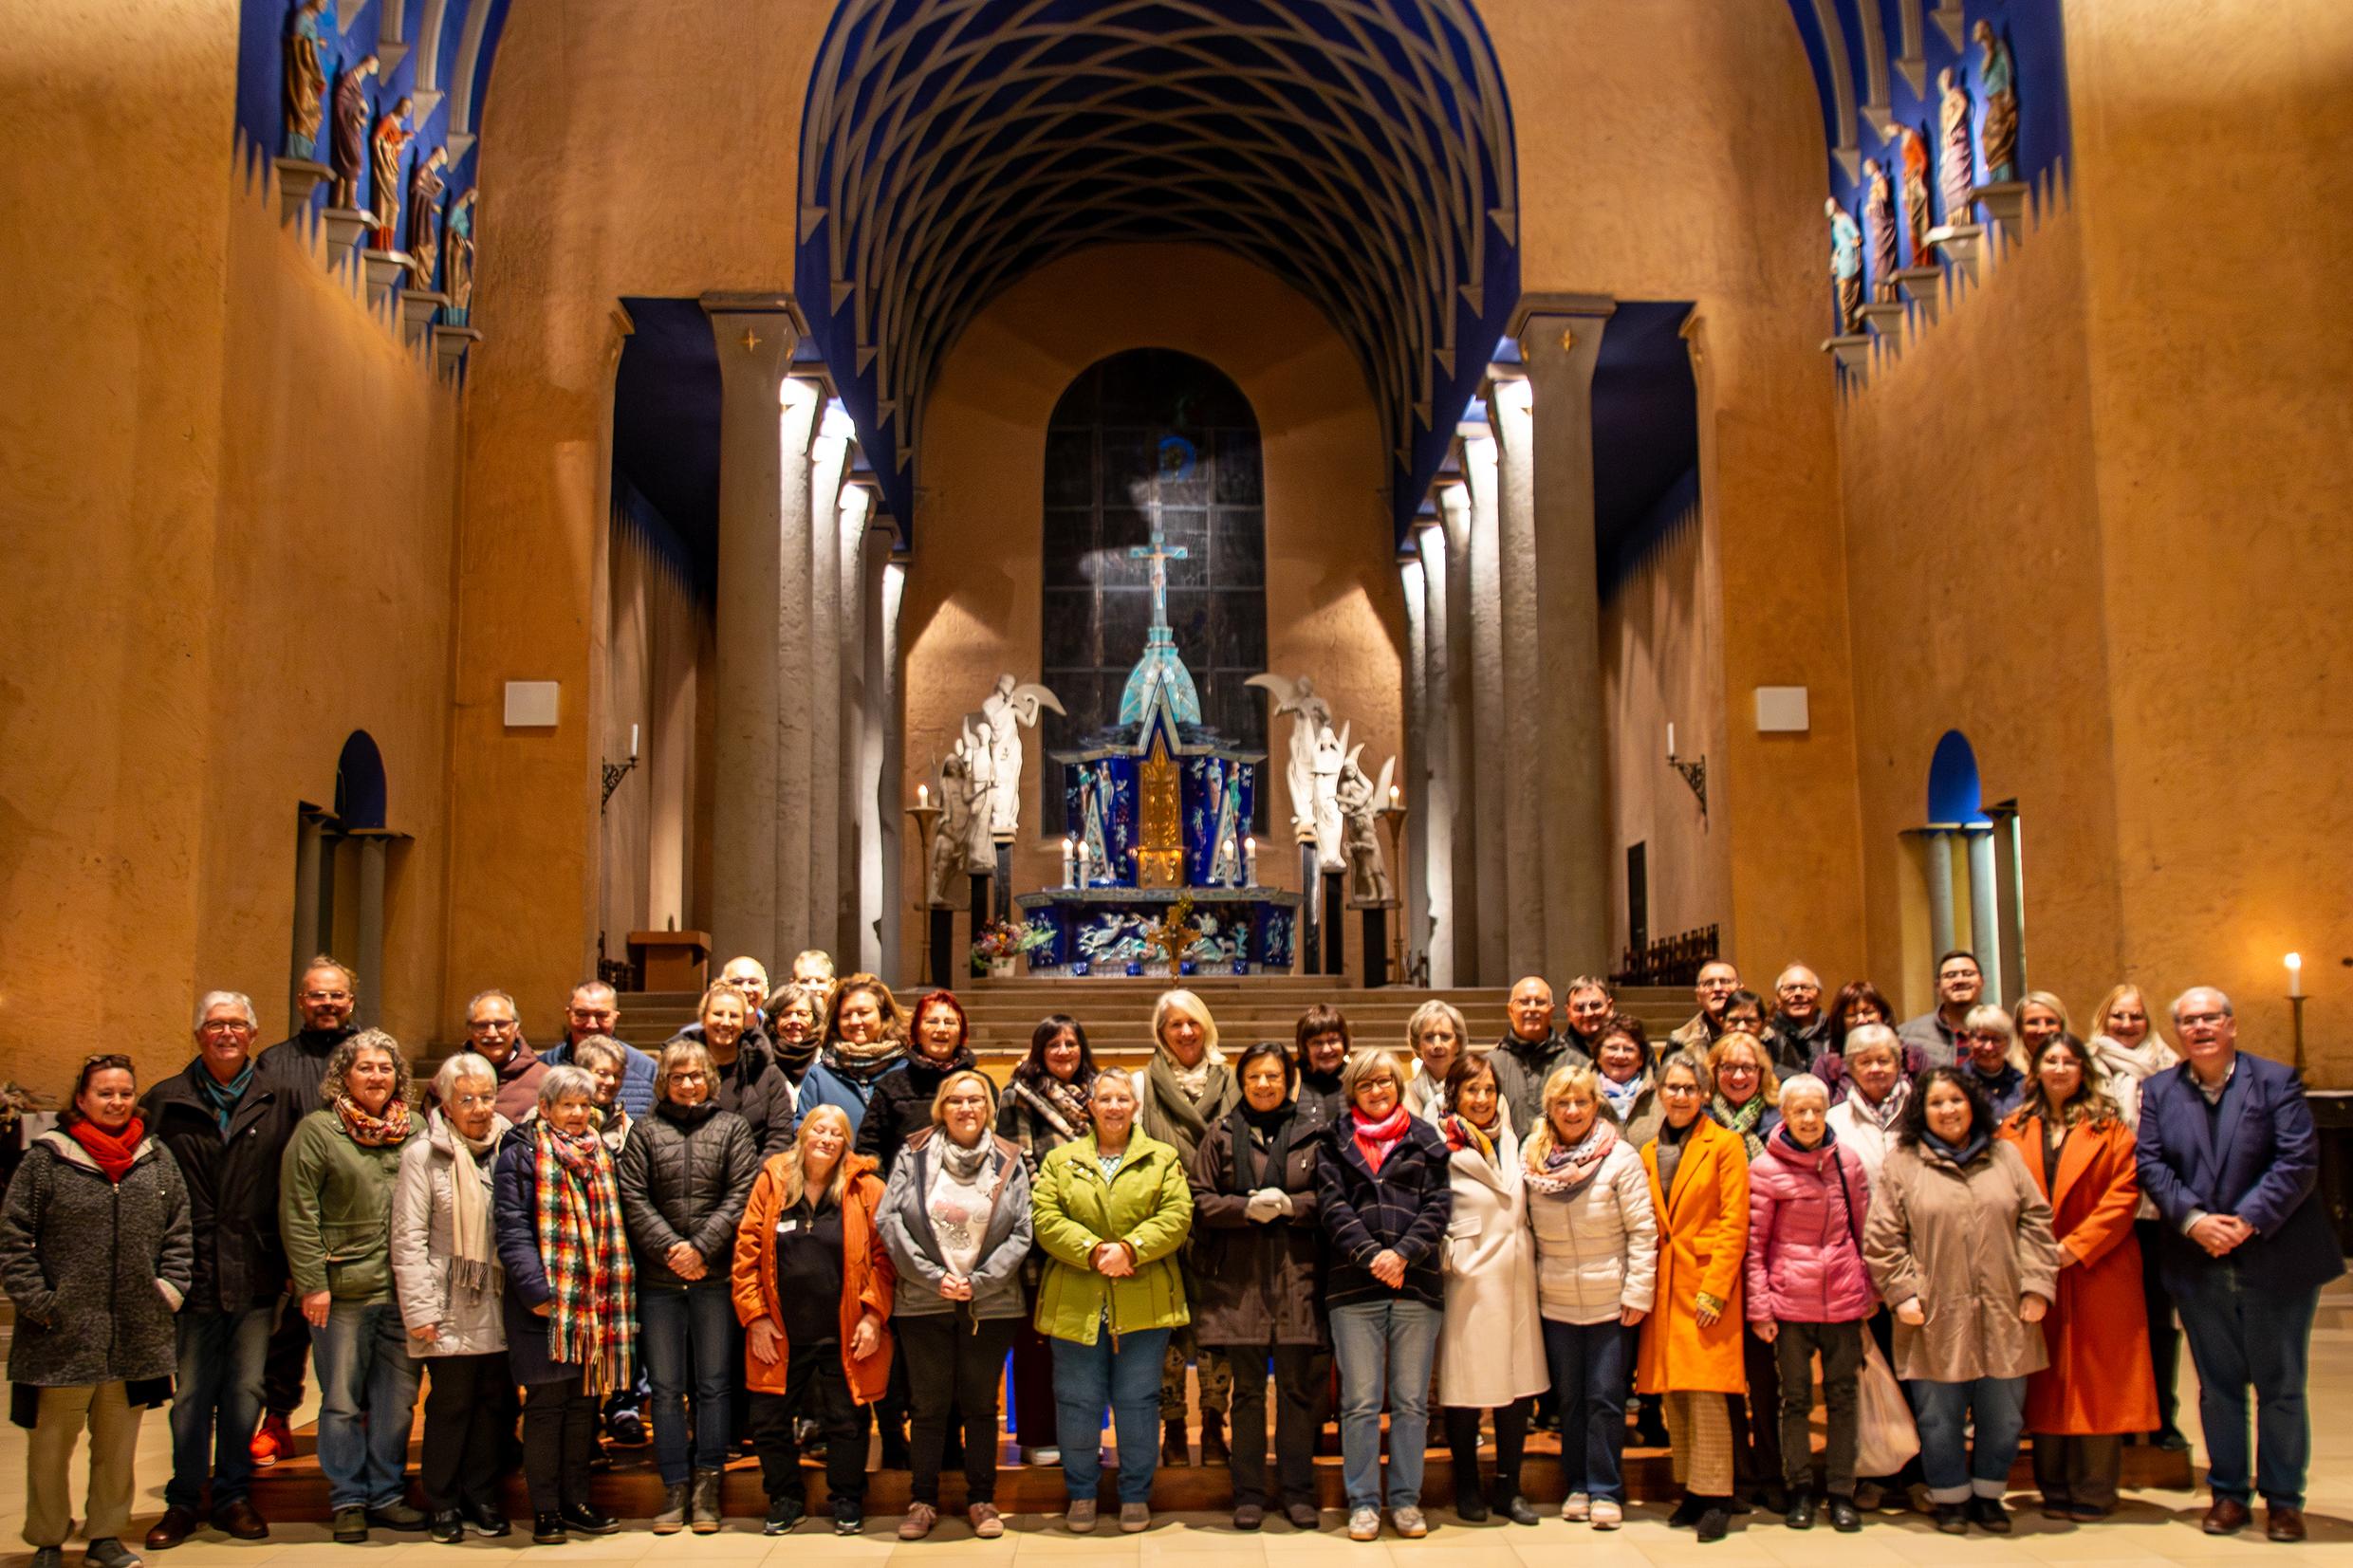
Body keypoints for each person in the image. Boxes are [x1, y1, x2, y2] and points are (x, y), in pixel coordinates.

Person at [2136, 987, 2343, 1544]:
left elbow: (2297, 1160)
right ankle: (2228, 1494)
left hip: (2276, 1256)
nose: (2201, 1027)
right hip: (2197, 1257)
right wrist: (2196, 1221)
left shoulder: (2274, 1081)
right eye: (2189, 1020)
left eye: (2211, 1018)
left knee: (2280, 1385)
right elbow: (2151, 1165)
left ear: (2231, 1025)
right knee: (2218, 1385)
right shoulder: (2159, 1090)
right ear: (2178, 1032)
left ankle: (2283, 1500)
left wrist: (2246, 1221)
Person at [3, 1053, 193, 1568]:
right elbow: (14, 1237)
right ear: (82, 1100)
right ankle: (46, 1539)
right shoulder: (46, 1159)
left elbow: (179, 1231)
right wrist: (41, 1301)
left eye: (125, 1093)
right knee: (49, 1451)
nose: (116, 1102)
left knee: (116, 1450)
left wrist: (169, 1289)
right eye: (105, 1093)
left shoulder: (155, 1159)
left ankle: (106, 1536)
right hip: (59, 1336)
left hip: (133, 1333)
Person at [1863, 1066, 2059, 1536]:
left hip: (2006, 1307)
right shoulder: (1903, 1163)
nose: (1948, 1110)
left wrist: (2036, 1286)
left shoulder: (2006, 1157)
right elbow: (1882, 1238)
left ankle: (1990, 1494)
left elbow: (2035, 1222)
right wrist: (1903, 1293)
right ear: (1921, 1112)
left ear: (1972, 1104)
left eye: (1956, 1100)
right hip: (1935, 1309)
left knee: (2004, 1413)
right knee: (1938, 1415)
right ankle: (1949, 1495)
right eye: (1936, 1103)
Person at [140, 994, 284, 1548]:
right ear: (198, 1033)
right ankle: (183, 1500)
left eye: (236, 1025)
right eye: (215, 1024)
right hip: (190, 1268)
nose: (226, 1033)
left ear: (253, 1033)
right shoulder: (164, 1100)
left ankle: (233, 1495)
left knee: (246, 1387)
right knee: (192, 1393)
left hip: (255, 1264)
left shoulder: (280, 1098)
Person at [1995, 1033, 2154, 1522]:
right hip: (2034, 1269)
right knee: (2045, 1378)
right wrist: (2037, 1253)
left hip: (2097, 1268)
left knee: (2096, 1379)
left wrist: (2073, 1248)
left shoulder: (2111, 1129)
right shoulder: (2014, 1127)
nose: (2060, 1068)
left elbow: (2123, 1197)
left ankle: (2095, 1488)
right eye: (2051, 1060)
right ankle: (2054, 1486)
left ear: (2084, 1069)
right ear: (2036, 1069)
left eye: (2069, 1060)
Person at [279, 1030, 426, 1542]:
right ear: (343, 1075)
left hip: (403, 1290)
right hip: (342, 1290)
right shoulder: (318, 1132)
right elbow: (299, 1212)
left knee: (398, 1399)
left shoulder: (417, 1128)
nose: (376, 1076)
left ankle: (386, 1492)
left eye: (385, 1068)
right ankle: (348, 1498)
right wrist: (312, 1282)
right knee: (341, 1398)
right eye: (365, 1067)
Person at [1031, 1072, 1195, 1535]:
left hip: (1143, 1299)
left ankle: (1135, 1495)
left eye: (1124, 1098)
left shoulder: (1162, 1158)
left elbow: (1178, 1215)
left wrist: (1131, 1248)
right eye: (1106, 1098)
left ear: (1135, 1106)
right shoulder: (1061, 1160)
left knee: (1138, 1402)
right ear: (1092, 1106)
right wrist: (1092, 1250)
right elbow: (1044, 1217)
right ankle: (1081, 1492)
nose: (1115, 1106)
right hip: (1076, 1301)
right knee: (1077, 1402)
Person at [876, 1069, 1033, 1540]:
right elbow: (889, 1219)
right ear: (941, 1107)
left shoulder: (1009, 1157)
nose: (967, 1109)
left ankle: (982, 1500)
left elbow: (1024, 1228)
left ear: (989, 1109)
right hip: (924, 1299)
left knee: (981, 1406)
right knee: (928, 1406)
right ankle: (922, 1500)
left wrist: (979, 1281)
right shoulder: (914, 1151)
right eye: (956, 1101)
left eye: (976, 1101)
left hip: (992, 1302)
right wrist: (934, 1277)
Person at [617, 1042, 759, 1534]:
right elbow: (631, 1196)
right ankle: (674, 1485)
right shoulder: (646, 1132)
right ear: (664, 1082)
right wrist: (672, 1251)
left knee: (715, 1386)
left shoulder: (732, 1128)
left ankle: (708, 1485)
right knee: (667, 1388)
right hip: (659, 1283)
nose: (688, 1084)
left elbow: (742, 1192)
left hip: (715, 1279)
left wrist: (699, 1248)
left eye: (697, 1075)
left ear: (710, 1080)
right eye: (678, 1077)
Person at [1187, 1042, 1329, 1531]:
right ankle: (1247, 1492)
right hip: (1239, 1281)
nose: (1263, 1085)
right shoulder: (1221, 1134)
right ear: (1241, 1083)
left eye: (1272, 1076)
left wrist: (1293, 1206)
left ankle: (1297, 1492)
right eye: (1254, 1078)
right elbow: (1199, 1201)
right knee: (1246, 1393)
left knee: (1294, 1391)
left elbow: (1332, 1199)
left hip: (1296, 1278)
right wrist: (1241, 1209)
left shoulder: (1314, 1133)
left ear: (1288, 1080)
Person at [733, 1105, 895, 1537]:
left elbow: (884, 1260)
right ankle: (784, 1498)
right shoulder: (771, 1183)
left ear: (846, 1144)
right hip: (780, 1331)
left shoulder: (867, 1189)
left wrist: (873, 1316)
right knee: (768, 1420)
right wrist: (756, 1318)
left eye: (836, 1133)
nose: (826, 1138)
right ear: (802, 1135)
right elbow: (746, 1254)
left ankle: (847, 1498)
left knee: (847, 1420)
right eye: (818, 1130)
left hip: (845, 1329)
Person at [492, 1067, 632, 1545]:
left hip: (592, 1303)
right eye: (566, 1105)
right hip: (545, 1307)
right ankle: (546, 1509)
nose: (576, 1113)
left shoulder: (601, 1154)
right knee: (548, 1408)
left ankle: (577, 1502)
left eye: (583, 1104)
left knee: (582, 1407)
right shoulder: (521, 1153)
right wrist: (539, 1294)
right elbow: (511, 1229)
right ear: (545, 1108)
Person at [1318, 1049, 1453, 1541]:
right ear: (1353, 1090)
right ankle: (1363, 1503)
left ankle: (1405, 1500)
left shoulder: (1425, 1137)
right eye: (1368, 1084)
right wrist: (1373, 1255)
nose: (1378, 1091)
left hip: (1415, 1285)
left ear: (1399, 1086)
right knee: (1359, 1401)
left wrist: (1403, 1256)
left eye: (1386, 1082)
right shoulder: (1335, 1138)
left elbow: (1439, 1206)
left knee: (1412, 1401)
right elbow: (1332, 1206)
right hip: (1354, 1287)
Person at [1524, 1062, 1655, 1531]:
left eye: (1581, 1101)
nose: (1573, 1110)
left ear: (1595, 1104)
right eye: (1563, 1102)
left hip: (1609, 1302)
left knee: (1605, 1397)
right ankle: (1576, 1484)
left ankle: (1605, 1489)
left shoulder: (1621, 1158)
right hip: (1555, 1301)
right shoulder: (1532, 1158)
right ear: (1550, 1109)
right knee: (1570, 1402)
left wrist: (1639, 1291)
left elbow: (1643, 1232)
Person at [390, 1054, 512, 1544]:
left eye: (486, 1096)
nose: (480, 1108)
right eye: (467, 1099)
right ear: (445, 1101)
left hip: (502, 1298)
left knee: (493, 1403)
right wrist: (420, 1309)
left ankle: (481, 1495)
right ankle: (442, 1500)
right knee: (451, 1404)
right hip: (446, 1301)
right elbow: (408, 1238)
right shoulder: (424, 1154)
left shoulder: (512, 1143)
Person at [1744, 1074, 1872, 1533]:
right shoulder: (1765, 1169)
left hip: (1842, 1300)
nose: (1810, 1119)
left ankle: (1841, 1492)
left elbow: (1863, 1232)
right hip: (1789, 1304)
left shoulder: (1847, 1163)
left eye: (1817, 1110)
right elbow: (1754, 1246)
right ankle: (1800, 1490)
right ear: (1785, 1113)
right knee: (1794, 1401)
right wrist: (1760, 1309)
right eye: (1800, 1111)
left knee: (1844, 1399)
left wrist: (1868, 1292)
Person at [250, 956, 361, 1468]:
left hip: (358, 1217)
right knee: (288, 1329)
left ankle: (358, 1422)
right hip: (294, 1215)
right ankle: (277, 1417)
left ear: (351, 1001)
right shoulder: (273, 1063)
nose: (327, 1004)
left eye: (336, 995)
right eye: (318, 995)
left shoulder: (371, 1055)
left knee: (357, 1333)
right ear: (301, 1001)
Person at [1637, 1048, 1751, 1543]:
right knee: (1676, 1396)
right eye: (1672, 1088)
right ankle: (1692, 1491)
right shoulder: (1647, 1148)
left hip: (1705, 1286)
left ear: (1705, 1093)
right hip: (1666, 1287)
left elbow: (1735, 1222)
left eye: (1689, 1088)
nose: (1680, 1096)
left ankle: (1719, 1496)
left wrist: (1716, 1290)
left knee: (1707, 1395)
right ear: (1659, 1093)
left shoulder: (1725, 1144)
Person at [1433, 1054, 1545, 1526]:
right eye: (1471, 1090)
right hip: (1470, 1278)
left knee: (1517, 1386)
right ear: (1453, 1095)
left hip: (1516, 1275)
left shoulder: (1517, 1138)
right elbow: (1427, 1205)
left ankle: (1510, 1486)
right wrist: (1451, 1254)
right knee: (1467, 1387)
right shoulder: (1438, 1141)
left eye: (1488, 1089)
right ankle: (1467, 1486)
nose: (1481, 1099)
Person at [1134, 988, 1235, 1467]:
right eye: (1175, 1024)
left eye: (1193, 1022)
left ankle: (1215, 1424)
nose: (1186, 1032)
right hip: (1163, 1227)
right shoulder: (1142, 1086)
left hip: (1220, 1227)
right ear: (1160, 1033)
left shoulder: (1232, 1080)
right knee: (1166, 1333)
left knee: (1220, 1330)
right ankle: (1172, 1428)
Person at [2086, 982, 2187, 1450]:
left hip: (2155, 1211)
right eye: (2119, 1016)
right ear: (2103, 1020)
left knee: (2158, 1318)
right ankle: (2120, 1415)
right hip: (2103, 1211)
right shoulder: (2086, 1066)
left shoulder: (2172, 1070)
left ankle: (2163, 1418)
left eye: (2136, 1016)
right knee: (2112, 1320)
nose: (2127, 1025)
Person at [996, 1014, 1098, 1465]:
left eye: (1071, 1043)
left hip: (1093, 1236)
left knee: (1085, 1344)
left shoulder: (1098, 1094)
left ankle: (1083, 1435)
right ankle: (1039, 1436)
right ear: (1038, 1050)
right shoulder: (1018, 1094)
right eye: (1053, 1044)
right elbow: (1018, 1163)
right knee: (1038, 1343)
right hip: (1042, 1235)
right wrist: (1060, 1212)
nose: (1063, 1051)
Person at [1704, 1030, 1784, 1509]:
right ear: (1714, 1074)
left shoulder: (1778, 1123)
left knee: (1768, 1380)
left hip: (1771, 1263)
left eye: (1747, 1068)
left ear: (1762, 1074)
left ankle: (1772, 1473)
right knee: (1726, 1379)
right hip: (1719, 1262)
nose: (1737, 1076)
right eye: (1728, 1068)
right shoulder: (1703, 1122)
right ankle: (1735, 1472)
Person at [858, 989, 976, 1177]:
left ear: (961, 1032)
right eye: (932, 1021)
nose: (941, 1029)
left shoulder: (978, 1085)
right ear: (917, 1031)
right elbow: (869, 1148)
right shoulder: (891, 1086)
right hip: (903, 1195)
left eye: (950, 1022)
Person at [674, 982, 797, 1157]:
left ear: (744, 1022)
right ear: (703, 1019)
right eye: (718, 1014)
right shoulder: (677, 1068)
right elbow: (660, 1129)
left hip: (753, 1178)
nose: (725, 1022)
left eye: (733, 1016)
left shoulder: (767, 1073)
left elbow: (780, 1136)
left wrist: (752, 1180)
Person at [799, 973, 912, 1134]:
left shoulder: (907, 1070)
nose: (854, 1021)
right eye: (846, 1015)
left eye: (863, 1013)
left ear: (884, 1015)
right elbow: (803, 1131)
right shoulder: (819, 1077)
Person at [540, 982, 655, 1119]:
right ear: (568, 1014)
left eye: (601, 1015)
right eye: (582, 1014)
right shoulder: (542, 1068)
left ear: (616, 1017)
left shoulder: (647, 1071)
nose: (592, 1024)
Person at [1490, 975, 1584, 1138]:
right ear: (1510, 1010)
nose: (1532, 1008)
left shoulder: (1578, 1064)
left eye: (1540, 1002)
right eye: (1524, 1002)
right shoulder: (1490, 1065)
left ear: (1551, 1010)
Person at [1822, 1024, 1909, 1184]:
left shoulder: (1920, 1111)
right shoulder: (1832, 1121)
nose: (1875, 1068)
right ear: (1851, 1068)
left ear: (1897, 1064)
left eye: (1883, 1061)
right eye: (1865, 1062)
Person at [1812, 984, 1923, 1103]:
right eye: (1852, 1015)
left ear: (1882, 1014)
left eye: (1868, 1012)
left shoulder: (1912, 1056)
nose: (1861, 1020)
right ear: (1840, 1021)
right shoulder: (1827, 1065)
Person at [459, 989, 548, 1124]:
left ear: (516, 1029)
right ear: (470, 1031)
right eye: (482, 1025)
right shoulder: (450, 1079)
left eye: (501, 1025)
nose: (492, 1033)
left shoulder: (544, 1080)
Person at [1899, 950, 1983, 1069]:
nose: (1960, 980)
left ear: (1982, 982)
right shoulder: (1906, 1036)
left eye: (1968, 974)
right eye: (1951, 975)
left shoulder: (2005, 1032)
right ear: (1938, 986)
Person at [676, 956, 774, 1052]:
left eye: (753, 982)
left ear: (766, 990)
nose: (746, 989)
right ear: (721, 988)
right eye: (737, 982)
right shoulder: (691, 1038)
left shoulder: (776, 1031)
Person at [1593, 1017, 1660, 1144]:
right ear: (1598, 1056)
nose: (1620, 1055)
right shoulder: (1578, 1092)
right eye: (1612, 1048)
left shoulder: (1662, 1095)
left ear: (1640, 1059)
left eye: (1629, 1049)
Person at [1959, 1005, 2028, 1117]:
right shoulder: (1957, 1081)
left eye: (1996, 1039)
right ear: (1969, 1040)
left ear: (2007, 1043)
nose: (1989, 1047)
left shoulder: (2023, 1083)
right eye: (1982, 1038)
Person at [1292, 1003, 1350, 1127]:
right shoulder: (1289, 1081)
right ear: (1304, 1047)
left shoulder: (1356, 1079)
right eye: (1317, 1043)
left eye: (1333, 1041)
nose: (1326, 1049)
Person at [1669, 960, 1741, 1051]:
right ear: (1698, 996)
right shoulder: (1680, 1041)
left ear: (1740, 989)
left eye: (1725, 981)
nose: (1717, 988)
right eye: (1709, 983)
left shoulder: (1762, 1036)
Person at [1719, 991, 1793, 1078]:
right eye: (1733, 1021)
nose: (1741, 1027)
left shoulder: (1787, 1077)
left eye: (1750, 1021)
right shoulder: (1706, 1066)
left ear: (1763, 1025)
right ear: (1722, 1023)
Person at [1769, 968, 1831, 1071]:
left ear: (1819, 995)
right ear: (1778, 998)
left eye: (1806, 987)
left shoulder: (1835, 1032)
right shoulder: (1768, 1036)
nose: (1798, 993)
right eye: (1790, 988)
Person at [766, 990, 824, 1085]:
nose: (794, 1020)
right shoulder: (763, 1058)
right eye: (786, 1014)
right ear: (774, 1021)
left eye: (802, 1014)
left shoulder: (826, 1058)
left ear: (814, 1020)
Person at [1563, 975, 1616, 1060]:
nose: (1588, 1013)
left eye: (1595, 1005)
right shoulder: (1559, 1053)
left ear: (1610, 1007)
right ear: (1569, 1013)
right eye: (1579, 1008)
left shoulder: (1628, 1046)